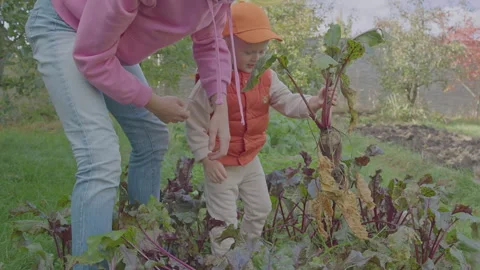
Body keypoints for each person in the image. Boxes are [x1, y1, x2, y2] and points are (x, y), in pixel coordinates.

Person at [24, 0, 240, 268]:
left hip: (108, 40)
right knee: (100, 157)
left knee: (152, 137)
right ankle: (90, 264)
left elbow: (209, 42)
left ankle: (140, 245)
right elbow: (93, 58)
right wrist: (153, 102)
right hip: (64, 25)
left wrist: (219, 104)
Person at [185, 1, 337, 256]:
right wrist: (205, 159)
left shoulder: (266, 77)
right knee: (223, 221)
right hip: (220, 164)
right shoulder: (211, 84)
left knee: (260, 209)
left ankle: (245, 251)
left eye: (261, 51)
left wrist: (314, 101)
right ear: (225, 45)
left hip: (249, 160)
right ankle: (224, 261)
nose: (256, 57)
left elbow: (288, 102)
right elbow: (194, 121)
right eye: (248, 52)